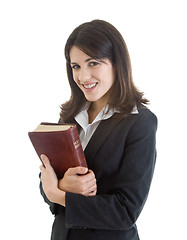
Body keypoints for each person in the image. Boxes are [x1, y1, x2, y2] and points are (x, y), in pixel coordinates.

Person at [39, 19, 157, 240]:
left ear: (116, 63)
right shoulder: (69, 117)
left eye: (93, 63)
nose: (83, 77)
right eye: (76, 66)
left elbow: (125, 212)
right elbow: (46, 181)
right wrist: (61, 185)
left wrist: (60, 193)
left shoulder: (140, 122)